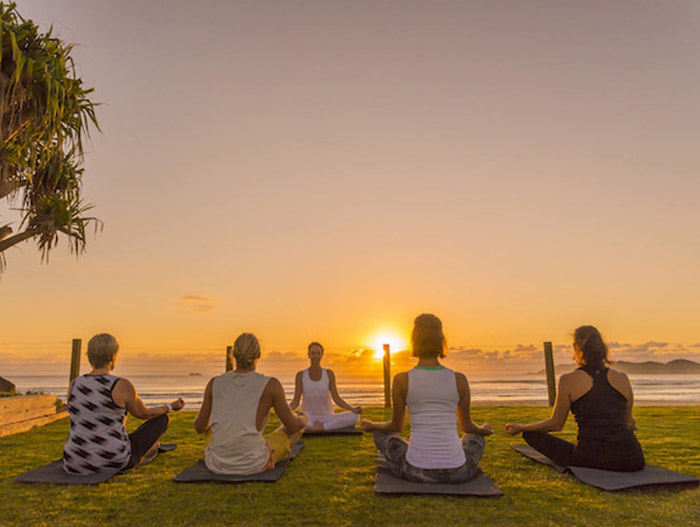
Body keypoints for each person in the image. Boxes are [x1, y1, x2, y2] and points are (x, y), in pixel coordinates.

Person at [361, 314, 493, 484]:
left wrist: (373, 425)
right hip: (458, 472)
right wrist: (483, 429)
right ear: (441, 341)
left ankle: (418, 454)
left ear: (414, 341)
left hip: (416, 471)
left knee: (380, 432)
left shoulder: (402, 380)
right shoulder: (459, 379)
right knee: (475, 436)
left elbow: (396, 426)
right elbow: (467, 427)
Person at [505, 325, 645, 472]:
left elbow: (556, 424)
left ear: (575, 347)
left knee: (530, 435)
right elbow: (629, 422)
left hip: (591, 459)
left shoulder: (568, 380)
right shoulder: (622, 378)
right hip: (632, 459)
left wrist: (522, 428)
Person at [63, 333, 184, 474]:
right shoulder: (121, 385)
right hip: (112, 460)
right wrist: (170, 407)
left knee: (123, 437)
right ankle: (152, 448)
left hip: (74, 460)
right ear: (113, 356)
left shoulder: (75, 383)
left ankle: (151, 447)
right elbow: (144, 413)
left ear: (89, 356)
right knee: (161, 419)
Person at [194, 333, 308, 475]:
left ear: (233, 354)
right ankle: (267, 449)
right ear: (258, 354)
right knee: (291, 430)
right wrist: (303, 418)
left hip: (216, 463)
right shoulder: (271, 385)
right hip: (253, 464)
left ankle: (237, 446)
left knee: (210, 431)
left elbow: (199, 427)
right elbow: (292, 426)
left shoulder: (214, 383)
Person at [289, 341, 362, 432]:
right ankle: (318, 426)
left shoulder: (329, 374)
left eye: (318, 353)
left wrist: (352, 409)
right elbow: (295, 401)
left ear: (322, 355)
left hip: (327, 417)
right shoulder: (301, 375)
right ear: (309, 355)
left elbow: (336, 398)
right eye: (313, 353)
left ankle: (320, 427)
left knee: (354, 417)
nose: (316, 356)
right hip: (308, 417)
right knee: (288, 419)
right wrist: (285, 411)